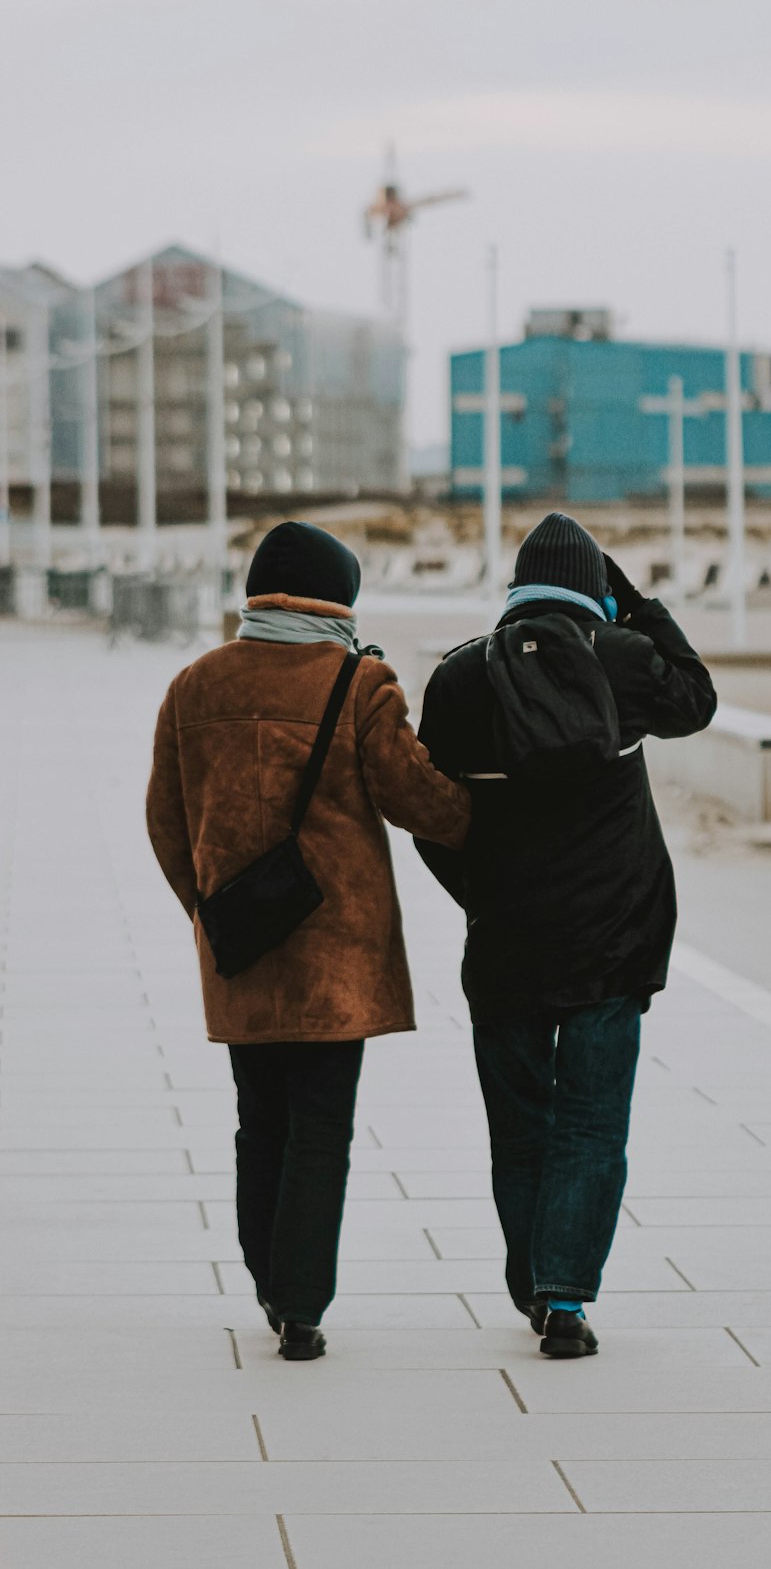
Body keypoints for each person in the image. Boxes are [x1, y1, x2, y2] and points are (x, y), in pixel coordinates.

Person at [146, 522, 469, 1360]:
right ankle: (301, 1305)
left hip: (241, 950)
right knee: (322, 1127)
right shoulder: (360, 681)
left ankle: (267, 1279)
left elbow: (164, 819)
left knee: (262, 1122)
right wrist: (489, 814)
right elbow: (417, 800)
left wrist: (212, 906)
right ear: (338, 599)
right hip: (339, 957)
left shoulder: (194, 685)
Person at [415, 513, 717, 1357]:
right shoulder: (620, 660)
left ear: (514, 588)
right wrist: (638, 603)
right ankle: (566, 1299)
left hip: (506, 940)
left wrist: (478, 895)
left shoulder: (460, 678)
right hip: (615, 943)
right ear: (593, 587)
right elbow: (697, 697)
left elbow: (433, 820)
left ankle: (532, 1284)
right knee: (591, 1122)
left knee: (520, 1126)